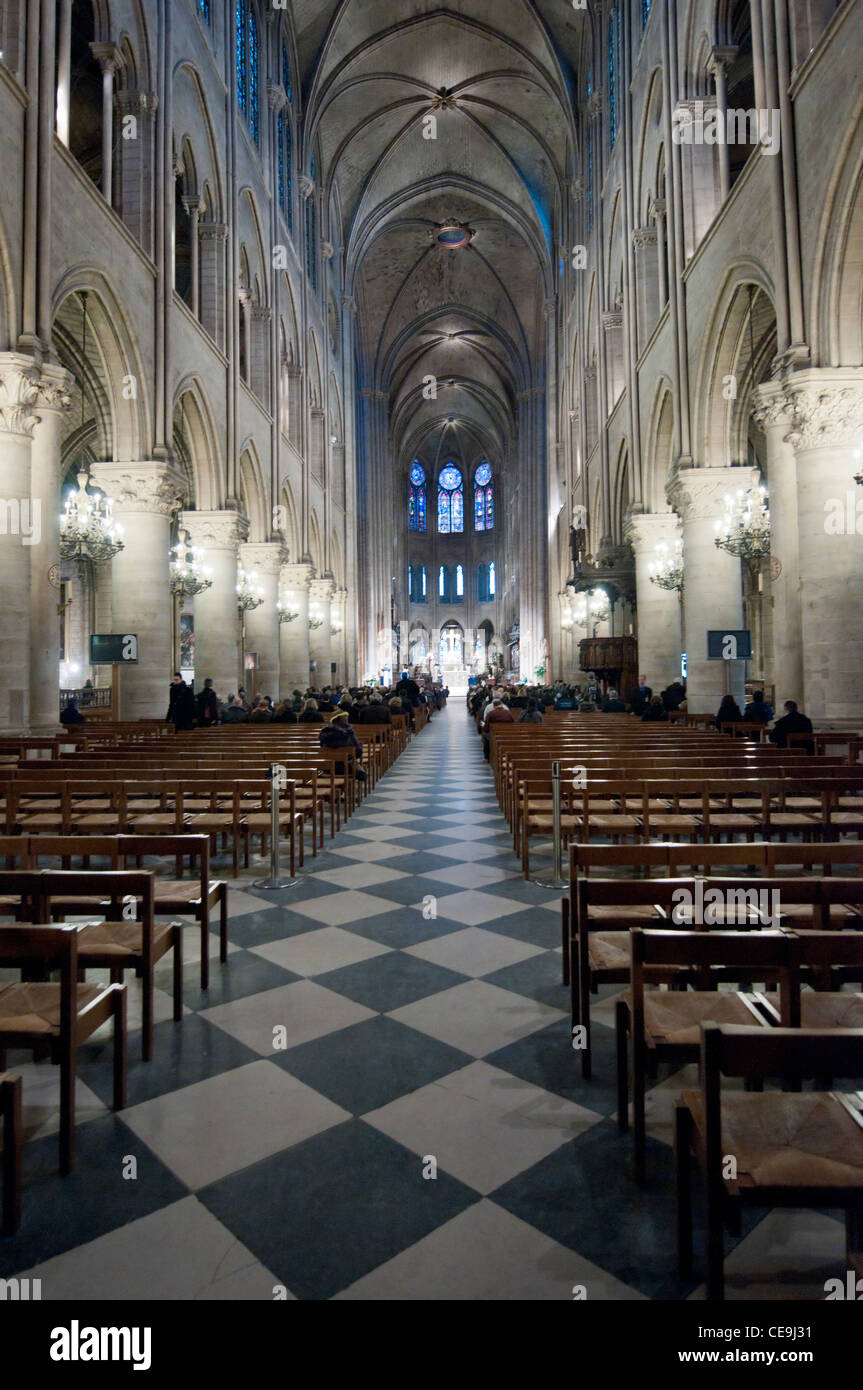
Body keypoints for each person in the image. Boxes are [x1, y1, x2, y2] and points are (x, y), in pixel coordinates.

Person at [319, 709, 367, 781]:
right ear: (341, 719)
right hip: (346, 768)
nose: (347, 719)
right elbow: (358, 752)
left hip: (328, 768)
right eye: (346, 717)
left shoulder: (325, 734)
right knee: (356, 766)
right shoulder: (348, 734)